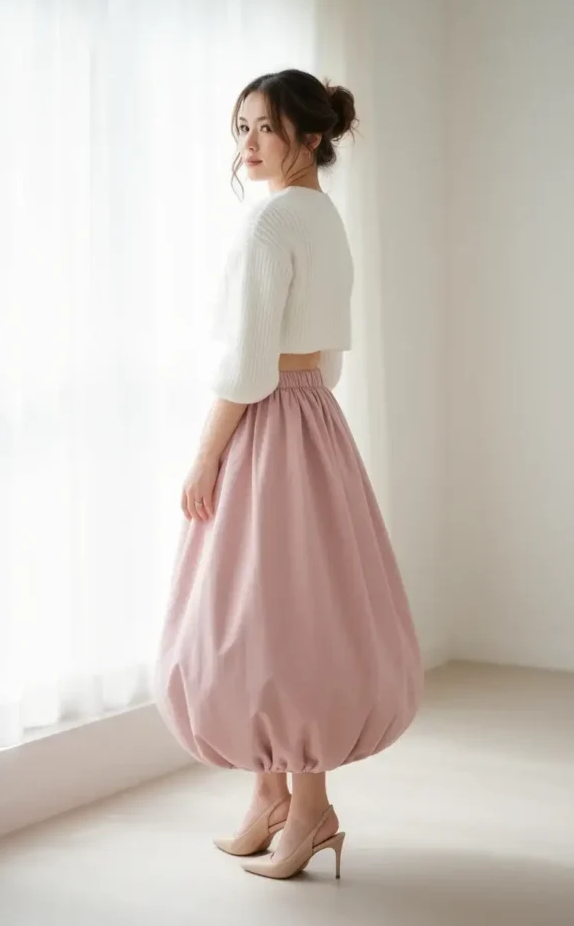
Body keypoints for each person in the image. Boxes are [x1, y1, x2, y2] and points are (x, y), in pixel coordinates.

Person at [154, 69, 423, 881]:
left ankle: (306, 809)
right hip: (311, 420)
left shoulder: (267, 222)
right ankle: (272, 799)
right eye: (240, 128)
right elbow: (324, 355)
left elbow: (243, 363)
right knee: (289, 610)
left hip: (267, 420)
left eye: (264, 128)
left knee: (261, 616)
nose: (248, 144)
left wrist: (206, 455)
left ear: (310, 137)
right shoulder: (319, 214)